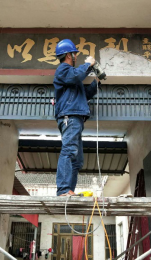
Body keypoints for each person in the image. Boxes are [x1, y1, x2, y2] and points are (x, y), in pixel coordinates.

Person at [53, 39, 100, 196]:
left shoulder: (71, 76)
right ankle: (64, 190)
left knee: (77, 160)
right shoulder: (64, 70)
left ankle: (69, 190)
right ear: (69, 55)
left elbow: (84, 95)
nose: (76, 57)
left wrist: (96, 82)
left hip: (75, 118)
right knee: (69, 151)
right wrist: (88, 64)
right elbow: (77, 75)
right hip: (70, 117)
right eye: (75, 54)